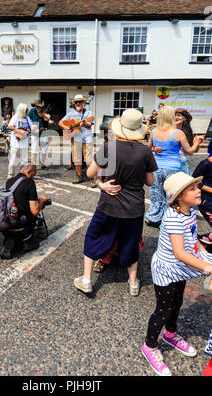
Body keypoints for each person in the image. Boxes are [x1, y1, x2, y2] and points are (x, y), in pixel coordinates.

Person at [74, 109, 158, 296]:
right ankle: (133, 283)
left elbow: (90, 173)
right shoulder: (145, 151)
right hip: (134, 206)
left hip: (109, 204)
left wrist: (102, 185)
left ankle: (87, 280)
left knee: (94, 236)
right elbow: (150, 182)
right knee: (130, 242)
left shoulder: (108, 147)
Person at [142, 172, 212, 377]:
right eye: (192, 188)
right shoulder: (172, 217)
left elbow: (192, 238)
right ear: (179, 196)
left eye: (196, 187)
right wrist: (207, 267)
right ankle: (149, 345)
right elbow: (180, 253)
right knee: (163, 310)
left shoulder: (189, 211)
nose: (198, 190)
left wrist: (203, 251)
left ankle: (170, 334)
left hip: (179, 267)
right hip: (167, 269)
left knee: (178, 301)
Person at [145, 106, 204, 228]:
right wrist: (197, 142)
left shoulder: (154, 131)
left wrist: (155, 149)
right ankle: (170, 220)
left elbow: (148, 148)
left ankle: (153, 217)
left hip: (157, 167)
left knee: (157, 193)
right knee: (172, 195)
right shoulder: (178, 133)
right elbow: (189, 151)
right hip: (173, 169)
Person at [0, 162, 48, 259]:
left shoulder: (8, 182)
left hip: (4, 227)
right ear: (29, 172)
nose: (33, 178)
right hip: (21, 228)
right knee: (36, 209)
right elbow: (34, 211)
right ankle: (28, 240)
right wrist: (41, 200)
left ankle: (10, 241)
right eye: (33, 175)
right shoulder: (29, 183)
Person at [59, 94, 95, 187]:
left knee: (89, 159)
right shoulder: (71, 114)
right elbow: (60, 122)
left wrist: (85, 124)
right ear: (74, 103)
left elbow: (90, 124)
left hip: (87, 139)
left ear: (83, 103)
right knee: (77, 159)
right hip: (76, 139)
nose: (78, 103)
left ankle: (92, 178)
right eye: (76, 102)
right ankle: (79, 176)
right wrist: (67, 128)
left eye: (80, 102)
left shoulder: (88, 113)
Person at [192, 140, 212, 247]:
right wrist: (208, 189)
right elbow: (193, 181)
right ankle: (198, 242)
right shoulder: (205, 164)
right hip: (207, 201)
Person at [7, 103, 32, 179]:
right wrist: (19, 131)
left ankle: (23, 174)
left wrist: (27, 132)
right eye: (26, 111)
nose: (27, 112)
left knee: (24, 162)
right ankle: (11, 175)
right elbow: (10, 127)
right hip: (15, 144)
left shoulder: (27, 118)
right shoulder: (16, 117)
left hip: (25, 143)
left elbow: (31, 129)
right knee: (13, 161)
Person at [28, 99, 54, 170]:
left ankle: (43, 164)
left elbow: (48, 117)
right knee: (34, 149)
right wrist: (32, 126)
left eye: (39, 107)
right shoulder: (32, 111)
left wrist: (48, 119)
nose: (38, 108)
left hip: (43, 130)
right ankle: (33, 165)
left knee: (44, 149)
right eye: (36, 107)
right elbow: (27, 119)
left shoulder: (45, 111)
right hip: (35, 130)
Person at [175, 108, 196, 175]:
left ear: (184, 118)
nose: (176, 117)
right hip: (169, 163)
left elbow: (190, 151)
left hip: (182, 162)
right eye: (174, 115)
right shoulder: (169, 130)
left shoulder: (187, 132)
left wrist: (196, 142)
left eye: (178, 115)